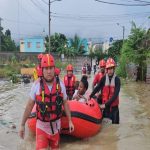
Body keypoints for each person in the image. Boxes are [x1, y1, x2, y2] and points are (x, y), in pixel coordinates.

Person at [19, 54, 74, 150]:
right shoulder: (36, 86)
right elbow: (29, 106)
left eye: (51, 68)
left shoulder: (60, 84)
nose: (49, 71)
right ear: (42, 70)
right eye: (46, 68)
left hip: (56, 127)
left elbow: (65, 103)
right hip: (41, 127)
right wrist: (22, 125)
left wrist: (70, 121)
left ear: (54, 69)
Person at [89, 58, 121, 124]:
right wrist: (90, 96)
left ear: (114, 69)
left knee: (115, 128)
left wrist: (105, 105)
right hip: (106, 108)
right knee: (104, 126)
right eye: (108, 69)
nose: (110, 70)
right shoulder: (103, 79)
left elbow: (115, 95)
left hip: (114, 108)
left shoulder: (117, 80)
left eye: (111, 68)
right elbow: (97, 87)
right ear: (107, 69)